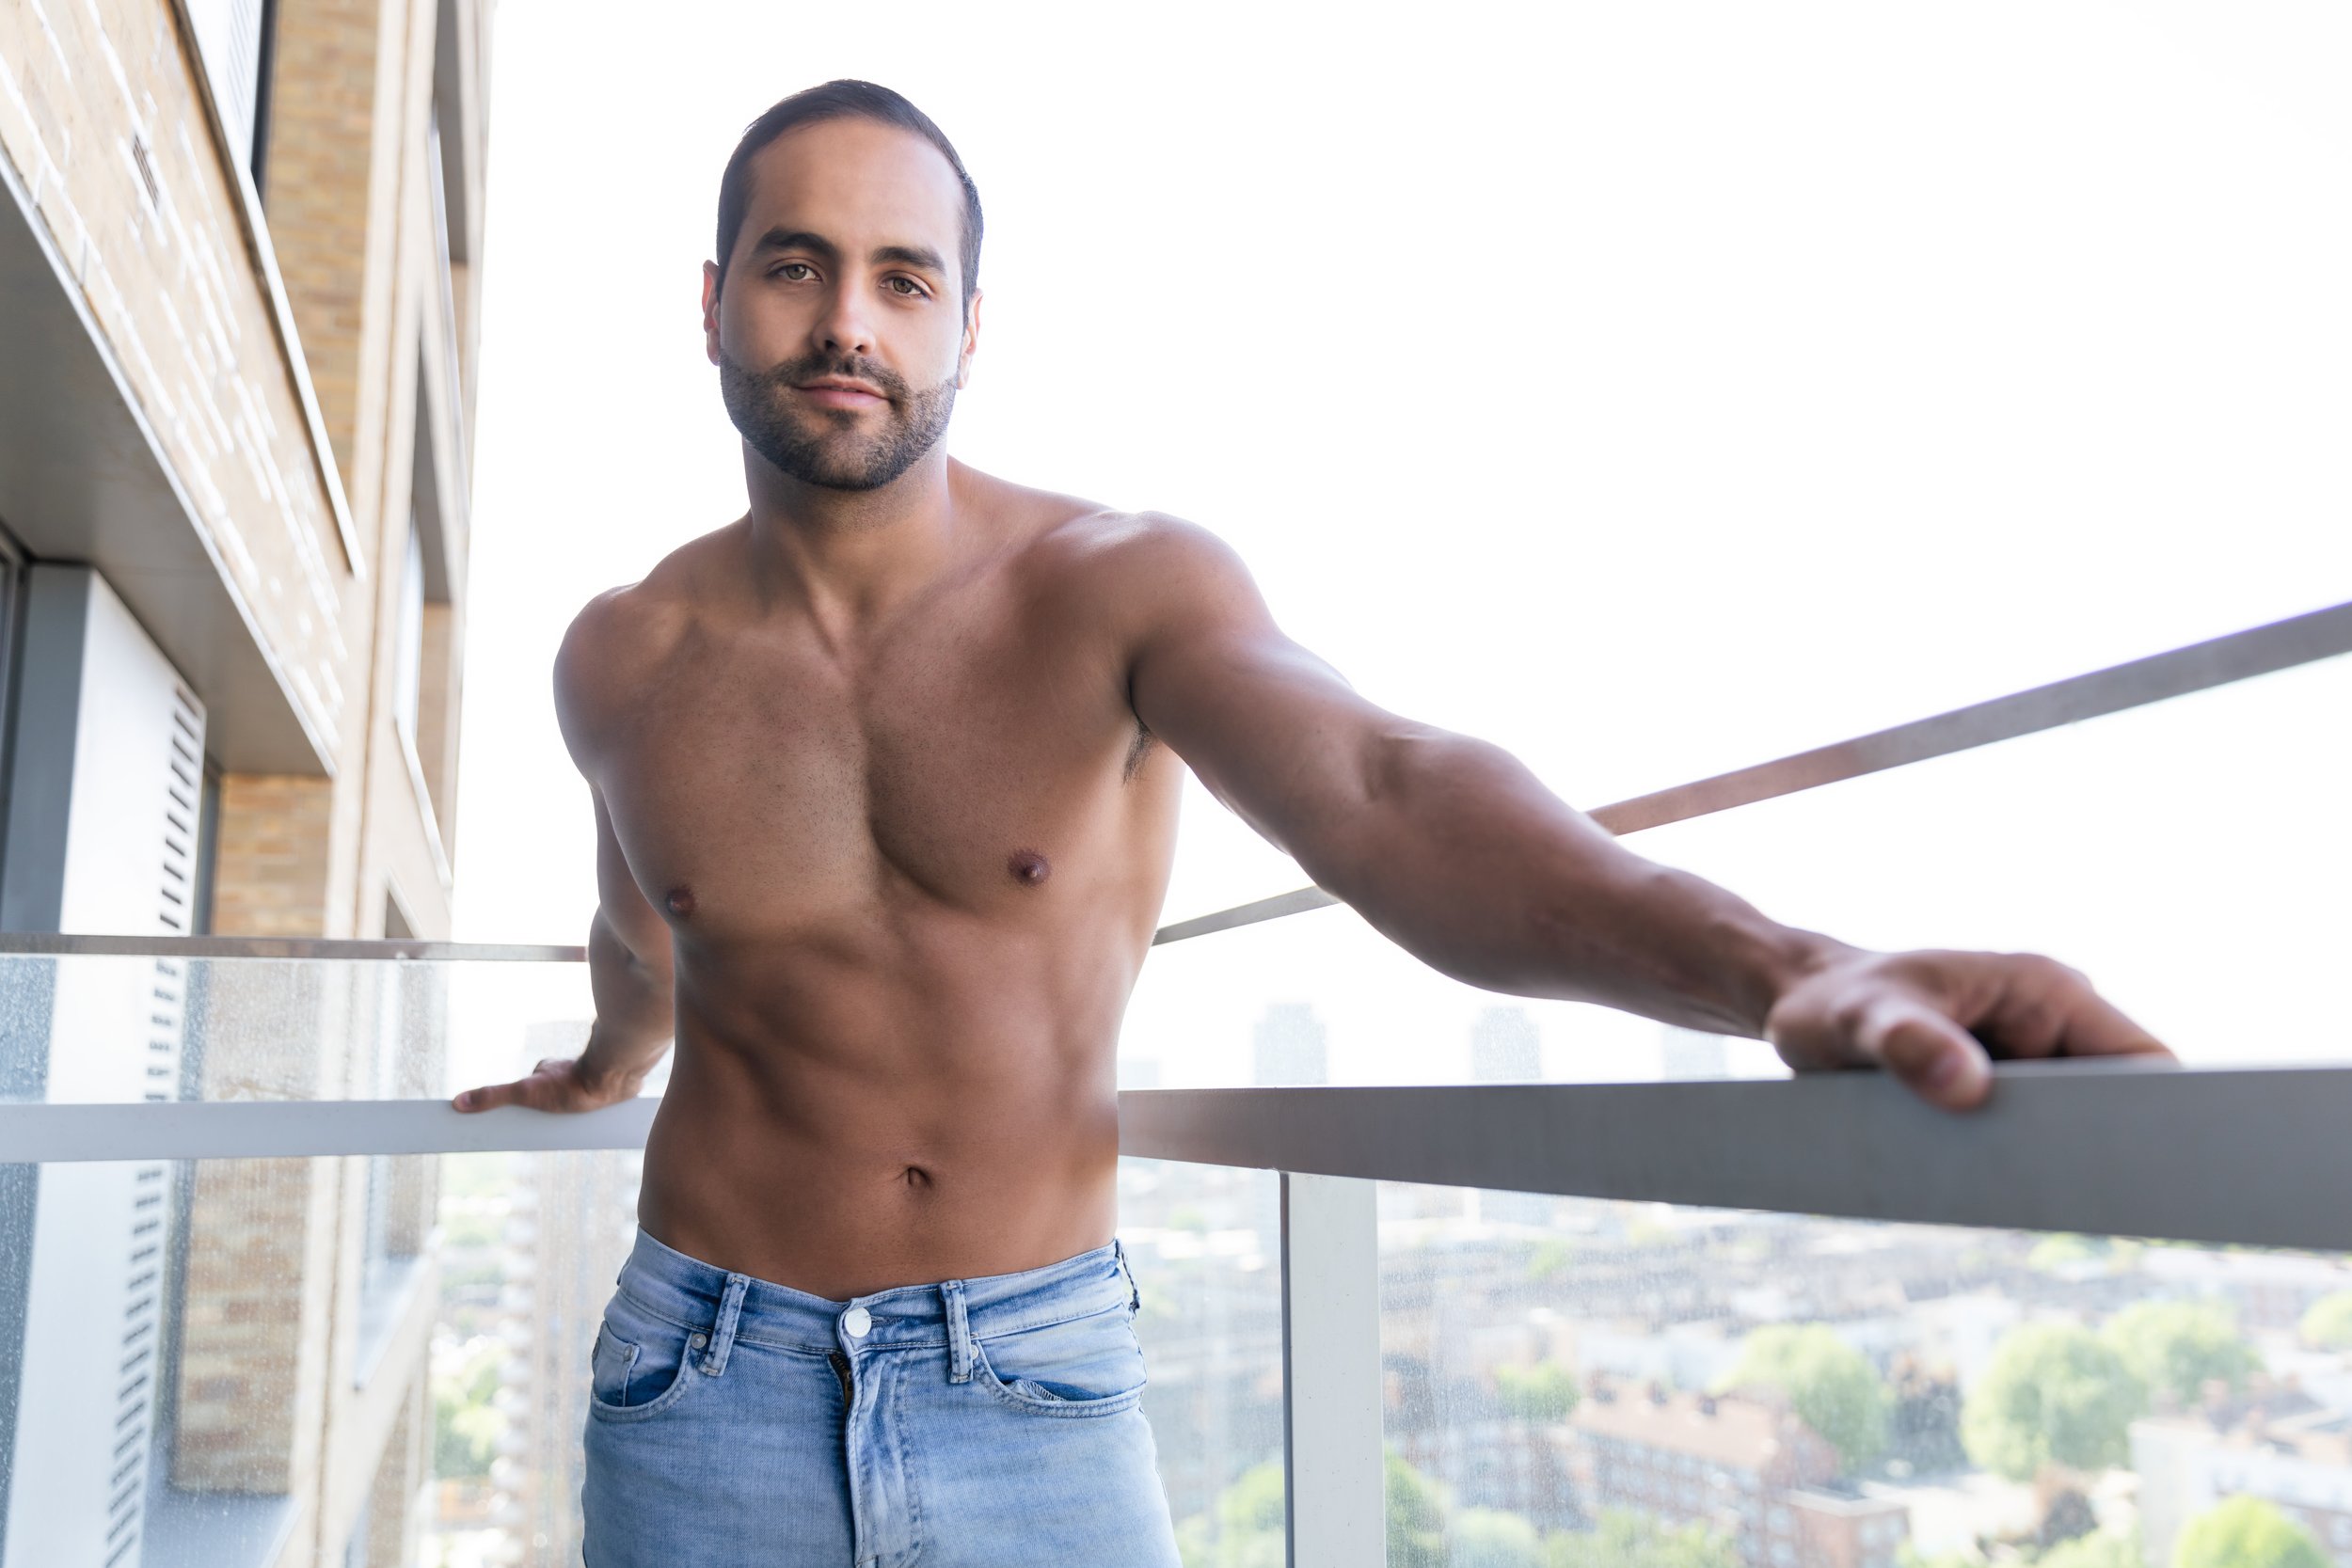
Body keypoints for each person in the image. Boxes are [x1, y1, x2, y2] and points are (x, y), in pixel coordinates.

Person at [453, 79, 2169, 1567]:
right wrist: (607, 1064)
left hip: (1029, 1380)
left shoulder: (1115, 586)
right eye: (796, 264)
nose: (850, 323)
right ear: (712, 300)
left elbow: (1383, 785)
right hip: (700, 1369)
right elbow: (649, 920)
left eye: (904, 278)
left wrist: (1784, 968)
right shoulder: (625, 656)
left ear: (969, 327)